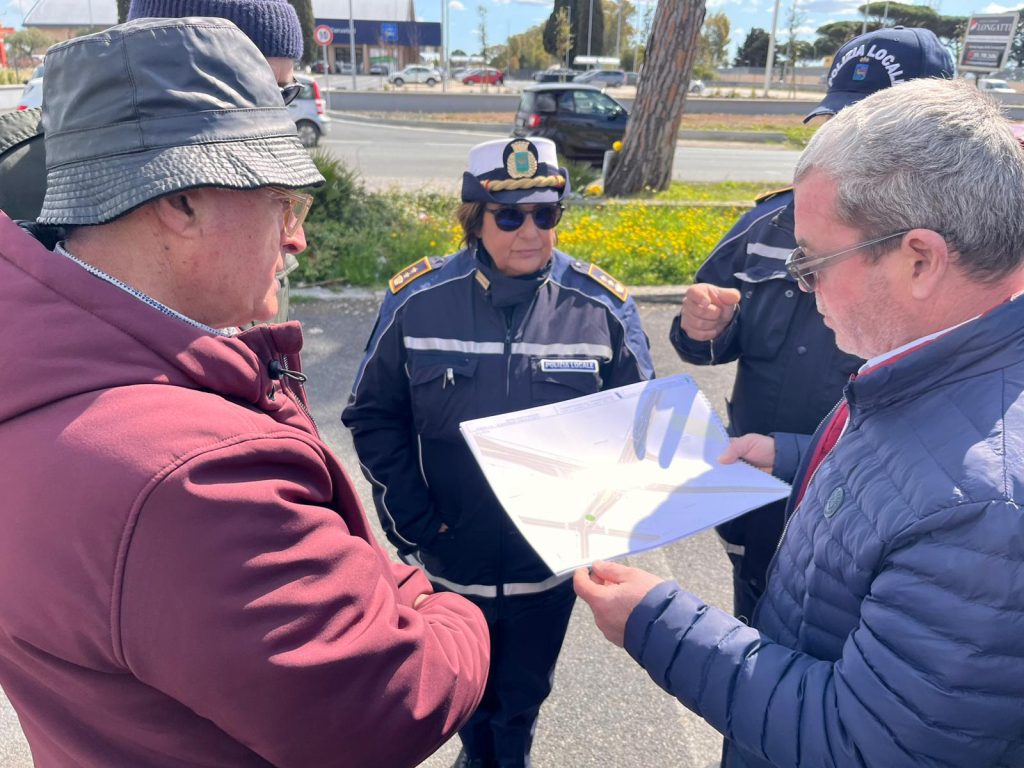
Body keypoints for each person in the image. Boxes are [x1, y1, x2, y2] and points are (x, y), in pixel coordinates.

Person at [0, 18, 488, 768]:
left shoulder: (40, 366)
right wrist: (444, 607)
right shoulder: (194, 475)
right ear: (185, 199)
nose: (296, 240)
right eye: (283, 203)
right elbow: (396, 699)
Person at [576, 77, 1024, 767]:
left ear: (920, 260)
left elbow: (858, 743)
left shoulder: (984, 510)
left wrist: (656, 622)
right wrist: (790, 455)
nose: (802, 283)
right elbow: (902, 465)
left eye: (813, 261)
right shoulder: (935, 359)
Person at [342, 136, 654, 768]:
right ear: (474, 219)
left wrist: (595, 526)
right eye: (510, 216)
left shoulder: (602, 308)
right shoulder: (418, 301)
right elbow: (374, 417)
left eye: (546, 214)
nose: (531, 232)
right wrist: (418, 524)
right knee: (464, 696)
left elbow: (641, 431)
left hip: (548, 568)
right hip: (454, 556)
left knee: (521, 699)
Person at [669, 26, 954, 622]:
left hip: (873, 518)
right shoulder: (770, 225)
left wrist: (797, 453)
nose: (846, 157)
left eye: (872, 137)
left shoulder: (967, 259)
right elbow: (700, 340)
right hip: (758, 499)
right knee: (750, 651)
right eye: (835, 130)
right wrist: (703, 327)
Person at [0, 0, 305, 322]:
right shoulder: (17, 183)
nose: (273, 118)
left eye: (285, 93)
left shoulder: (261, 195)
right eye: (259, 92)